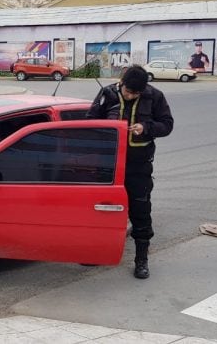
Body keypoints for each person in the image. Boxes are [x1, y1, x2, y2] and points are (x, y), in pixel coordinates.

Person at [86, 65, 174, 279]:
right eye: (128, 91)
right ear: (121, 82)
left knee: (140, 210)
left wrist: (146, 128)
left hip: (138, 165)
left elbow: (167, 125)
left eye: (136, 93)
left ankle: (141, 259)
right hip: (108, 165)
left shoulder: (154, 96)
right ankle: (97, 252)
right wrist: (108, 128)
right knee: (103, 210)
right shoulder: (107, 93)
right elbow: (89, 121)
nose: (132, 95)